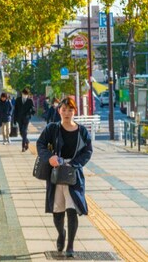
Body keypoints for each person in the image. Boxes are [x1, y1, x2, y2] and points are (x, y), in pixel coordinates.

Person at [36, 97, 93, 258]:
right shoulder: (52, 129)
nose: (67, 113)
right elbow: (40, 144)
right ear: (59, 110)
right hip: (55, 174)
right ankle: (61, 233)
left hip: (73, 175)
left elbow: (87, 151)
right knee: (57, 210)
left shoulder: (82, 131)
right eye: (64, 109)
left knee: (72, 209)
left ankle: (70, 246)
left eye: (70, 110)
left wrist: (74, 164)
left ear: (75, 111)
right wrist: (49, 157)